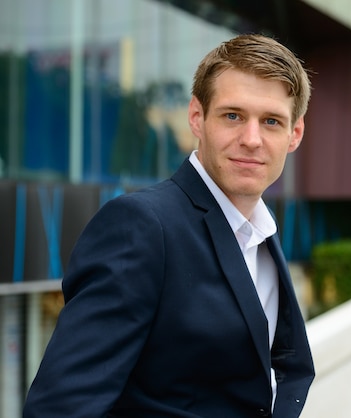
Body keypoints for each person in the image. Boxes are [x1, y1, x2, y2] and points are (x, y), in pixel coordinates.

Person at [23, 33, 315, 418]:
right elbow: (60, 408)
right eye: (233, 116)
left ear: (294, 134)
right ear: (197, 117)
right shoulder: (140, 227)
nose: (251, 139)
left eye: (272, 121)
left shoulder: (261, 233)